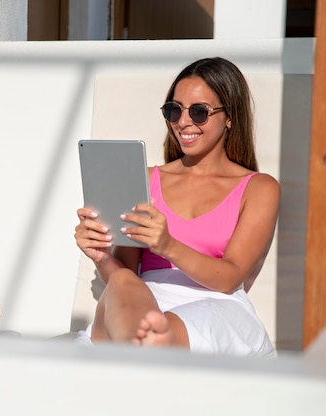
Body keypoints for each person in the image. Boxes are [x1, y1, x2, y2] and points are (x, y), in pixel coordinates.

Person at [74, 57, 279, 357]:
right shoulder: (146, 179)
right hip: (141, 300)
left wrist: (167, 245)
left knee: (175, 326)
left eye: (199, 112)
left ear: (230, 116)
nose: (183, 122)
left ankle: (146, 349)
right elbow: (126, 273)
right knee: (121, 281)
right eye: (174, 110)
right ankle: (146, 348)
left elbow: (230, 277)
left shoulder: (259, 188)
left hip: (216, 302)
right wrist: (102, 256)